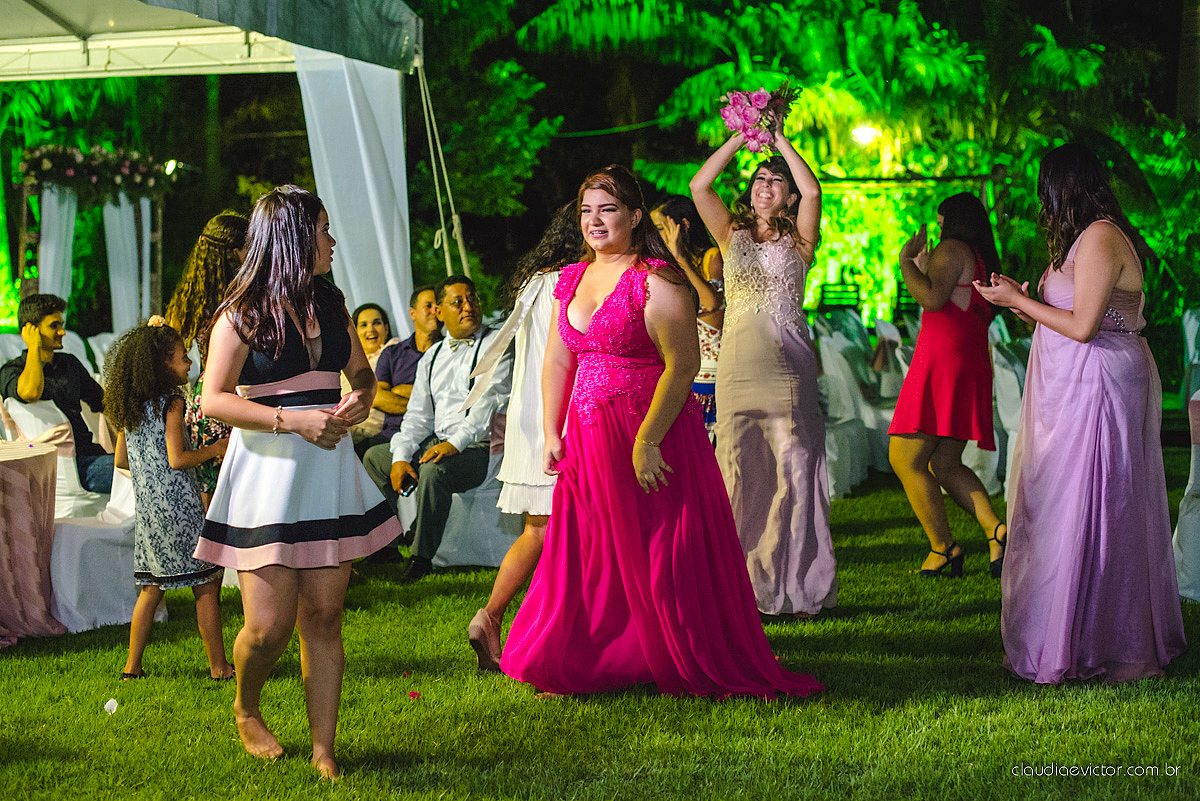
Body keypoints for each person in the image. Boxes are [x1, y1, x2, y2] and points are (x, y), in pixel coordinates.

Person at [500, 164, 823, 700]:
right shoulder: (572, 281)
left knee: (659, 547)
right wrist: (550, 429)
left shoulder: (656, 279)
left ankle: (669, 647)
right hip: (587, 432)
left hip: (649, 428)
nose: (595, 221)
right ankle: (600, 652)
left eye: (607, 210)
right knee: (594, 547)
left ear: (632, 215)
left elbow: (682, 364)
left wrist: (647, 440)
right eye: (586, 211)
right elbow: (558, 360)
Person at [193, 185, 400, 778]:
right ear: (292, 237)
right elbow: (213, 399)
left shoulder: (332, 302)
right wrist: (291, 419)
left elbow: (359, 375)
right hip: (267, 476)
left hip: (327, 469)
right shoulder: (238, 314)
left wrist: (357, 401)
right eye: (324, 229)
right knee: (267, 627)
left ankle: (324, 749)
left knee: (325, 617)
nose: (333, 241)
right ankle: (245, 704)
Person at [974, 143, 1186, 683]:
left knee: (1097, 502)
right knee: (1060, 502)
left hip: (1101, 384)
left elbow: (1085, 326)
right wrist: (1021, 299)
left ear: (1062, 186)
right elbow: (1061, 318)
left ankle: (1103, 640)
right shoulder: (1078, 240)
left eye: (1044, 186)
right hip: (1070, 384)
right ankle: (1065, 628)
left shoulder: (1100, 237)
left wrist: (1019, 304)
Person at [690, 125, 836, 619]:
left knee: (795, 471)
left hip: (788, 369)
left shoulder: (800, 242)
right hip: (735, 370)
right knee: (740, 472)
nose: (763, 185)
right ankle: (743, 588)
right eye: (758, 179)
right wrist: (741, 136)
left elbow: (814, 188)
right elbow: (699, 186)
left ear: (789, 197)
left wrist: (777, 137)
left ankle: (799, 586)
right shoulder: (730, 235)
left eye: (774, 180)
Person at [467, 202, 583, 671]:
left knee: (539, 529)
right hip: (565, 410)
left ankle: (490, 616)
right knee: (572, 530)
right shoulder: (577, 281)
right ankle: (555, 631)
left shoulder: (537, 279)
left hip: (529, 416)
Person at [105, 319, 232, 681]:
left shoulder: (130, 405)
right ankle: (219, 666)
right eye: (182, 357)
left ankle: (132, 667)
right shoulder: (173, 402)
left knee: (151, 588)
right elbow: (178, 459)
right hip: (180, 508)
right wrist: (214, 449)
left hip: (148, 513)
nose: (189, 362)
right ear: (163, 364)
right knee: (206, 587)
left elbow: (121, 460)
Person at [888, 193, 1007, 578]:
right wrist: (926, 268)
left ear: (952, 220)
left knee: (904, 458)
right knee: (943, 461)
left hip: (941, 362)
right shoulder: (979, 253)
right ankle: (995, 529)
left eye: (939, 221)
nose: (936, 228)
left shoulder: (950, 248)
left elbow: (932, 298)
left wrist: (907, 263)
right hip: (968, 360)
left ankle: (943, 547)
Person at [363, 275, 512, 584]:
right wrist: (401, 456)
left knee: (434, 471)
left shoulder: (495, 345)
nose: (468, 306)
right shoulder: (431, 357)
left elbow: (488, 405)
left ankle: (421, 558)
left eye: (472, 299)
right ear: (440, 312)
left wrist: (454, 444)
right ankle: (385, 547)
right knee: (375, 458)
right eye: (458, 302)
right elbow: (417, 416)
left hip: (480, 447)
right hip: (436, 440)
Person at [166, 211, 249, 503]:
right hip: (239, 396)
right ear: (234, 252)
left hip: (205, 402)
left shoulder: (191, 298)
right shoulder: (241, 302)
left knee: (213, 499)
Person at [0, 293, 113, 492]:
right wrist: (33, 348)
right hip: (65, 469)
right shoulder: (12, 371)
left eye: (61, 324)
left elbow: (105, 403)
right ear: (30, 329)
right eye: (54, 326)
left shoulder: (69, 363)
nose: (62, 332)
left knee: (149, 464)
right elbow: (30, 392)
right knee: (145, 473)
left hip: (92, 458)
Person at [652, 195, 724, 442]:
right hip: (681, 369)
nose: (657, 235)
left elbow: (711, 302)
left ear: (683, 225)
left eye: (662, 228)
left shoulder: (711, 257)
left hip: (711, 371)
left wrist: (681, 259)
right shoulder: (663, 267)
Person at [357, 287, 442, 460]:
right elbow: (377, 397)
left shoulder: (449, 353)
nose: (435, 311)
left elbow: (443, 402)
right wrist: (422, 398)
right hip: (390, 434)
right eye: (428, 305)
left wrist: (396, 393)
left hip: (431, 435)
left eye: (438, 306)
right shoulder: (392, 353)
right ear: (412, 313)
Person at [343, 302, 399, 456]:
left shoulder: (395, 351)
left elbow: (382, 398)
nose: (371, 330)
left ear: (387, 328)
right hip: (345, 428)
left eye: (377, 323)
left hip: (373, 432)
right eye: (363, 325)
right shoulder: (344, 362)